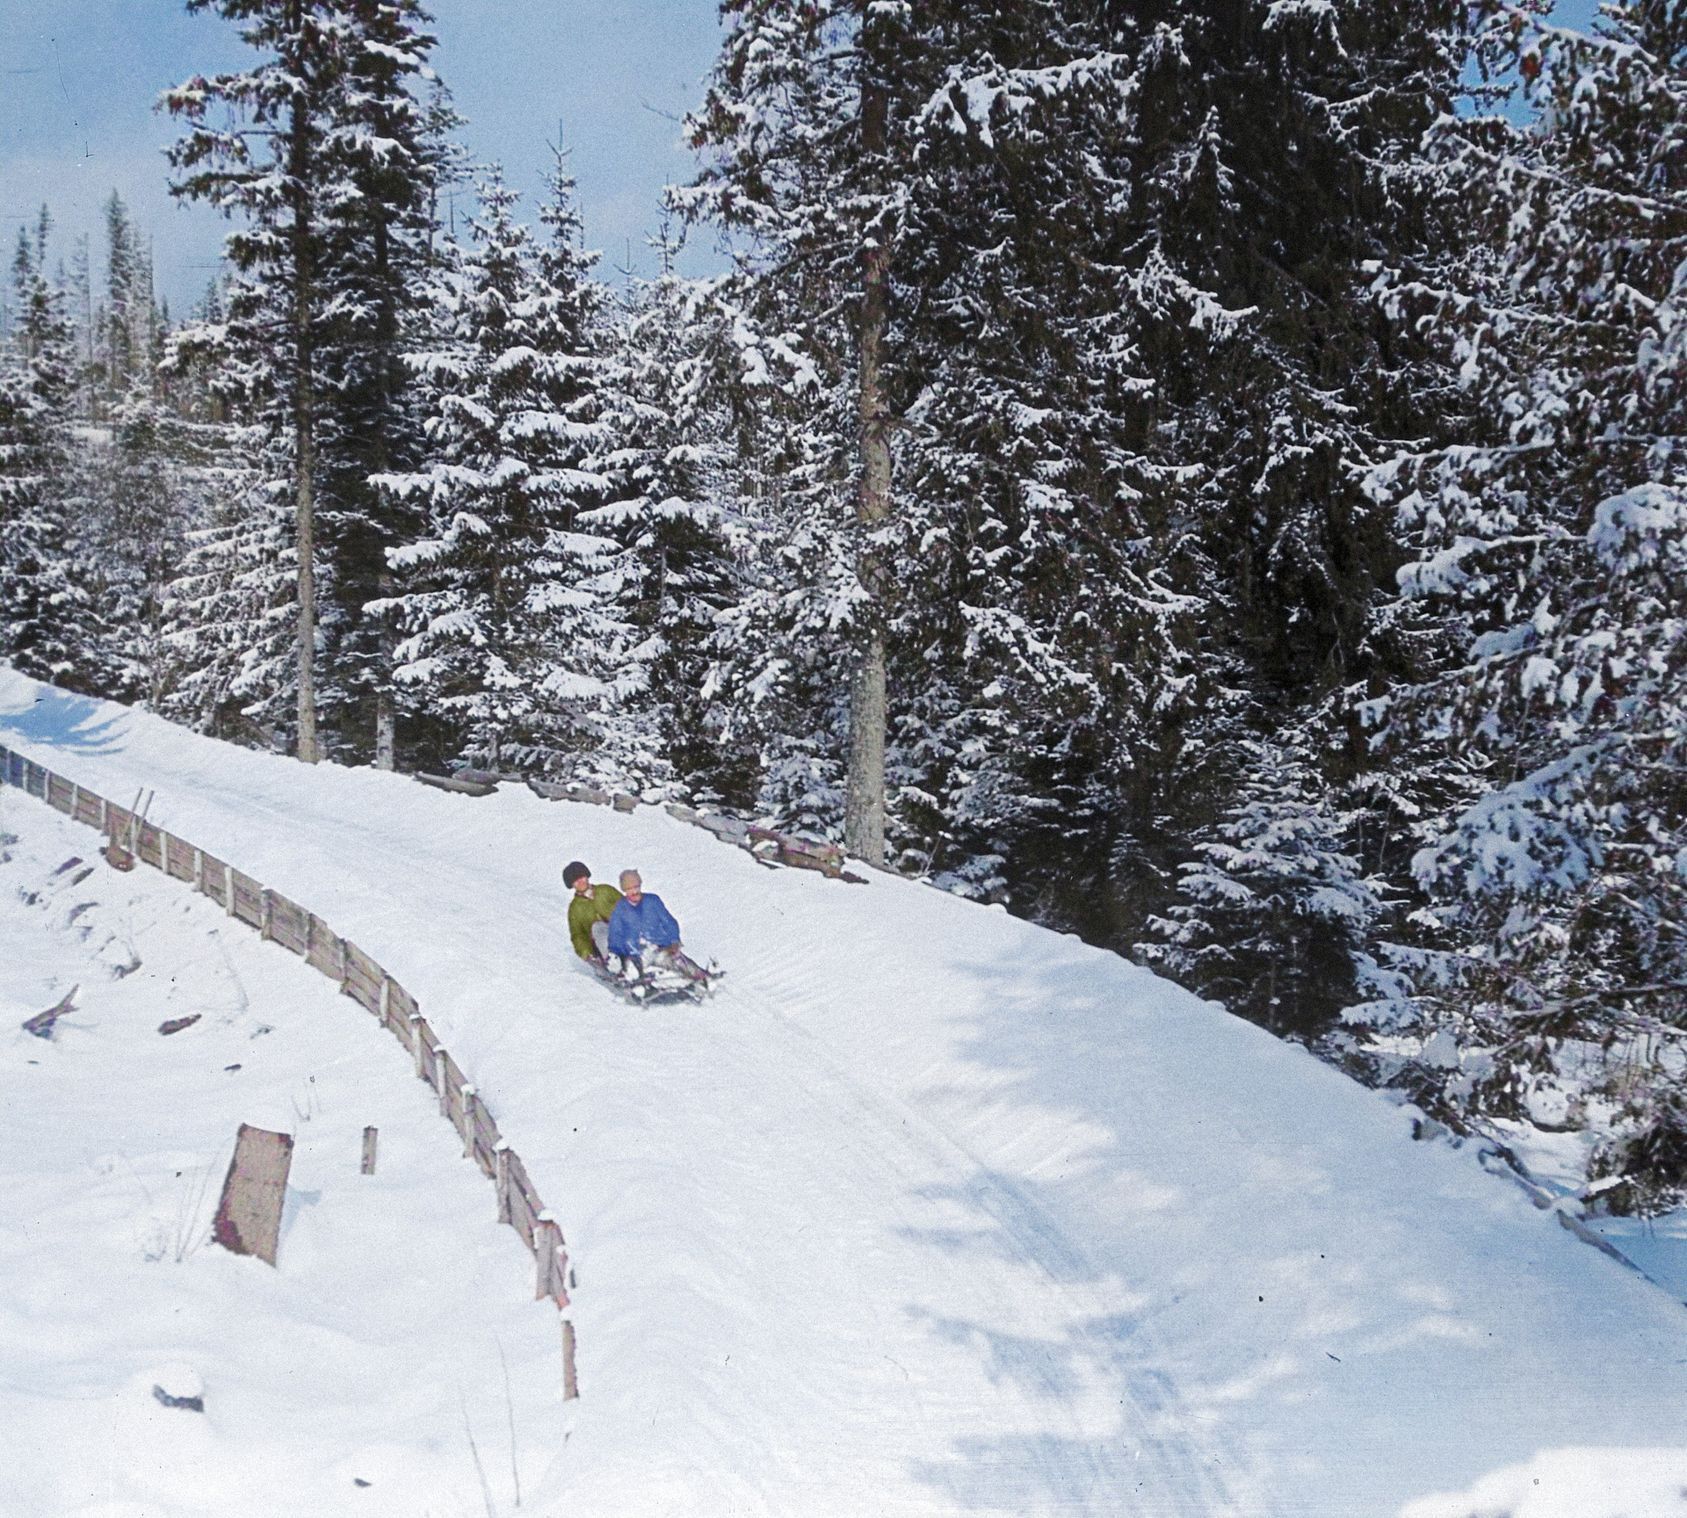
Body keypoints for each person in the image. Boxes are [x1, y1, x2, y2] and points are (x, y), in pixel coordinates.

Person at [607, 869, 709, 983]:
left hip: (659, 948)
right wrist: (618, 954)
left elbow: (669, 922)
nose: (634, 891)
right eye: (630, 889)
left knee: (677, 961)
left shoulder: (653, 901)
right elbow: (615, 933)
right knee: (633, 970)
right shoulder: (620, 909)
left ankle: (702, 977)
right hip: (636, 953)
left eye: (636, 887)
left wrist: (674, 940)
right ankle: (640, 986)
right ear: (625, 891)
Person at [563, 861, 621, 968]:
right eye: (575, 880)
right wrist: (587, 954)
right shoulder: (575, 909)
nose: (580, 882)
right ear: (571, 884)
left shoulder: (605, 891)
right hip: (601, 944)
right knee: (598, 927)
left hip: (622, 932)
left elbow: (626, 907)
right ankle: (612, 962)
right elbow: (578, 935)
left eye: (581, 877)